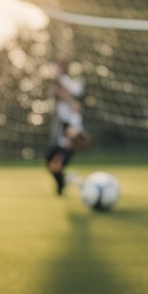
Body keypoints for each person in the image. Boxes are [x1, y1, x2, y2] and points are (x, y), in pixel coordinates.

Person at [44, 60, 90, 195]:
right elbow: (57, 89)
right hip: (60, 142)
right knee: (48, 162)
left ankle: (67, 182)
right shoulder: (61, 106)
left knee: (56, 166)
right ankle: (64, 180)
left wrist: (73, 133)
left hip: (67, 145)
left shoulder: (74, 106)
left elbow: (74, 127)